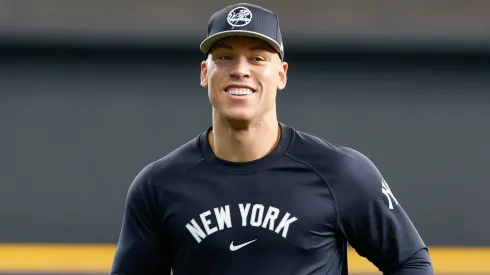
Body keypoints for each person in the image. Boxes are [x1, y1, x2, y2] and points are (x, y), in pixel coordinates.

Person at [109, 3, 433, 275]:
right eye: (224, 57)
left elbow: (411, 263)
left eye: (257, 58)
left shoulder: (340, 172)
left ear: (281, 75)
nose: (240, 70)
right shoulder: (159, 185)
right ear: (204, 73)